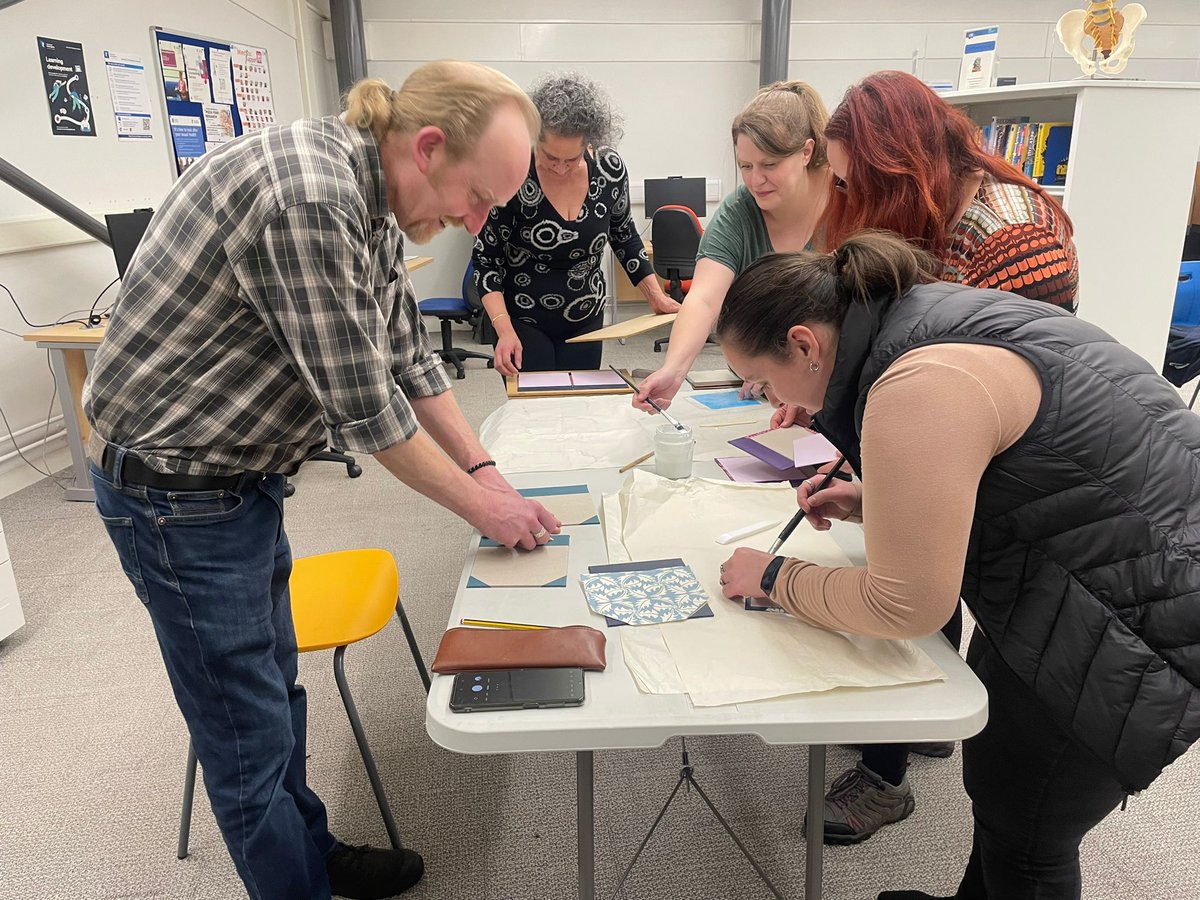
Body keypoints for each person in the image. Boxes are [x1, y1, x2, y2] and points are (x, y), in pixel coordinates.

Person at [83, 61, 561, 900]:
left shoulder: (369, 198)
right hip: (175, 497)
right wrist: (485, 506)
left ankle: (312, 847)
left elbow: (407, 357)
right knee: (244, 736)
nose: (473, 220)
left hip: (237, 480)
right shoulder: (308, 197)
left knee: (274, 687)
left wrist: (489, 471)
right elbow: (368, 412)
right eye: (477, 197)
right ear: (427, 146)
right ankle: (296, 877)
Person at [714, 231, 1200, 900]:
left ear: (805, 344)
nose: (771, 401)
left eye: (764, 382)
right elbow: (1013, 463)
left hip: (1141, 609)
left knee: (1030, 828)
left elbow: (907, 605)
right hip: (1091, 567)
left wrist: (772, 577)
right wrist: (878, 500)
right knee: (1001, 792)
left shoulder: (914, 381)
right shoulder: (921, 314)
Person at [777, 69, 1082, 844]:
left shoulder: (1010, 236)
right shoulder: (929, 213)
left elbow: (992, 387)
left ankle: (884, 778)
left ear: (896, 164)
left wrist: (888, 475)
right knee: (921, 583)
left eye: (852, 180)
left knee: (915, 589)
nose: (843, 198)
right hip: (952, 440)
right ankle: (920, 718)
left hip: (1012, 462)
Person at [631, 80, 831, 411]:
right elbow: (705, 299)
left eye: (769, 165)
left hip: (834, 378)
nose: (755, 180)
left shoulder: (847, 201)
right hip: (763, 386)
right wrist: (674, 370)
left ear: (806, 152)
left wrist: (798, 381)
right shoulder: (739, 210)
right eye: (745, 167)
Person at [473, 72, 678, 375]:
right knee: (536, 413)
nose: (560, 168)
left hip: (586, 316)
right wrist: (502, 328)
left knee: (580, 410)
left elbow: (624, 236)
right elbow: (486, 260)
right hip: (523, 319)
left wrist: (656, 296)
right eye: (550, 157)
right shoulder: (512, 174)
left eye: (571, 159)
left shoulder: (609, 169)